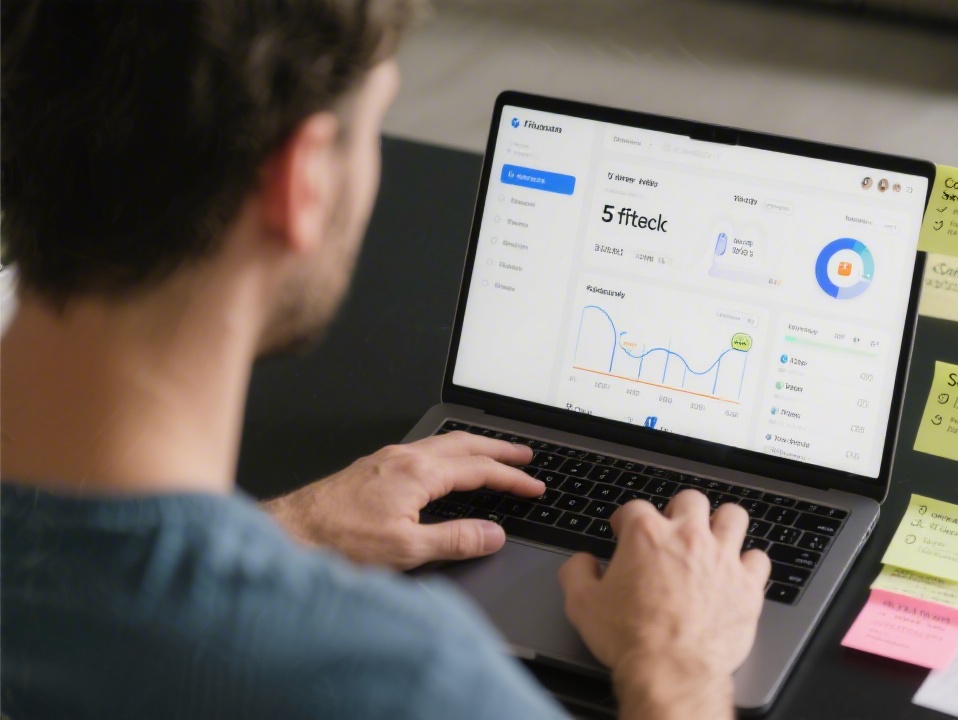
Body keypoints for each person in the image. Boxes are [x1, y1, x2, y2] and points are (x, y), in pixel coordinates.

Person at [0, 2, 770, 719]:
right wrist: (677, 665)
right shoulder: (408, 680)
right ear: (300, 181)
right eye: (374, 125)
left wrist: (291, 527)